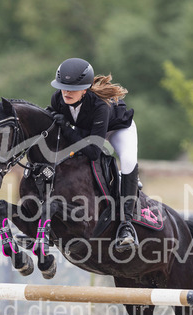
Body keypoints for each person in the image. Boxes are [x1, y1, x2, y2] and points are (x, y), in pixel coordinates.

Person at [48, 57, 139, 251]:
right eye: (63, 87)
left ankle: (126, 225)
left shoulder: (100, 105)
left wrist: (66, 127)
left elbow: (93, 151)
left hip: (117, 129)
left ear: (85, 89)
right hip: (89, 130)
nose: (66, 92)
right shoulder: (57, 99)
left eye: (72, 89)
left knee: (128, 161)